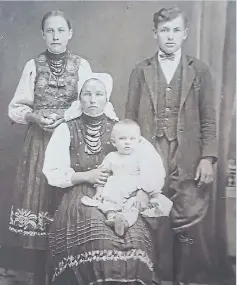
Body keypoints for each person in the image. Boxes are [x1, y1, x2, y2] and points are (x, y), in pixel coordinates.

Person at [43, 73, 164, 285]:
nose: (92, 99)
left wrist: (144, 191)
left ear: (106, 99)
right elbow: (53, 171)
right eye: (87, 94)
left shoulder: (122, 130)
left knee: (134, 237)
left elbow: (152, 163)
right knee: (98, 236)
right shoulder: (66, 129)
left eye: (98, 94)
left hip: (124, 194)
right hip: (81, 193)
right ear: (79, 98)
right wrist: (86, 176)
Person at [125, 6, 217, 285]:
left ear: (185, 34)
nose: (170, 36)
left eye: (176, 30)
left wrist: (208, 158)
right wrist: (132, 160)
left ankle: (183, 279)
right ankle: (154, 278)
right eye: (164, 30)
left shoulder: (199, 70)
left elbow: (209, 118)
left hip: (187, 155)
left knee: (186, 219)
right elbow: (129, 118)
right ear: (155, 34)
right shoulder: (141, 71)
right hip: (151, 153)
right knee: (151, 216)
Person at [8, 10, 92, 285]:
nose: (55, 36)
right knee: (38, 199)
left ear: (70, 34)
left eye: (60, 31)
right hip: (39, 144)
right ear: (43, 35)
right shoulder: (33, 65)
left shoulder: (81, 66)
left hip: (68, 142)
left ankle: (65, 273)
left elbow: (90, 103)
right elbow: (16, 107)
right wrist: (35, 117)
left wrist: (66, 120)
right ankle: (36, 276)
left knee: (65, 203)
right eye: (50, 31)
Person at [81, 119, 172, 237]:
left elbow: (149, 174)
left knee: (134, 207)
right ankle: (112, 218)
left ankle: (124, 222)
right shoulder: (111, 157)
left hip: (132, 193)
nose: (127, 142)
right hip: (115, 190)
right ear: (114, 142)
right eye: (122, 139)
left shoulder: (140, 157)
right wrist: (99, 190)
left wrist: (146, 191)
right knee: (107, 204)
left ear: (138, 141)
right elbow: (103, 175)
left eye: (132, 139)